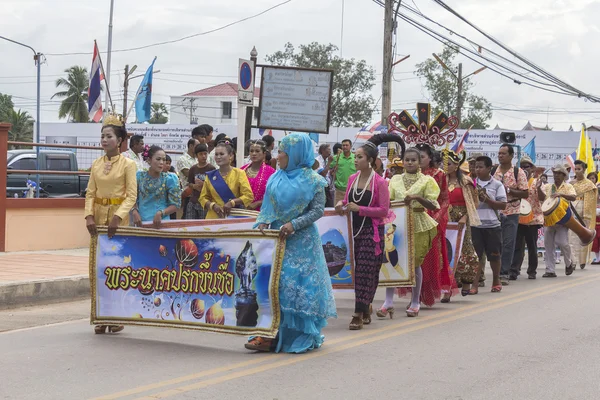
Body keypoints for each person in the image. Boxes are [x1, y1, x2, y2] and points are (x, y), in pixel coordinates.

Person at [245, 133, 336, 353]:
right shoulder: (276, 177)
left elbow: (317, 211)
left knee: (296, 287)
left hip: (301, 242)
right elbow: (267, 206)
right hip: (276, 240)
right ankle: (269, 334)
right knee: (271, 286)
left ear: (295, 154)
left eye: (282, 152)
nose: (278, 157)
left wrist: (294, 224)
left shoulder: (314, 180)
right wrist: (263, 222)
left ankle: (298, 334)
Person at [335, 134, 401, 329]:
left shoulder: (380, 182)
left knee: (367, 270)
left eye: (360, 157)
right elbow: (347, 201)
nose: (355, 160)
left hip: (372, 232)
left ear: (371, 160)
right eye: (355, 157)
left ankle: (357, 313)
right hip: (353, 231)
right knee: (360, 272)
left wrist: (360, 209)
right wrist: (341, 203)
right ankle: (365, 307)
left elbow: (384, 210)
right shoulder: (352, 179)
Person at [84, 115, 137, 335]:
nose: (105, 140)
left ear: (120, 140)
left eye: (109, 136)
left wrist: (118, 216)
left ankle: (116, 317)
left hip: (118, 222)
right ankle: (100, 317)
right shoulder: (96, 164)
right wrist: (88, 215)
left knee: (117, 269)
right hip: (98, 221)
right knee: (97, 269)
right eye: (102, 136)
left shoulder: (128, 164)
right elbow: (90, 193)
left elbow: (131, 195)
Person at [377, 148, 440, 318]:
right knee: (391, 260)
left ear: (420, 163)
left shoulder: (427, 181)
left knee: (415, 263)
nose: (410, 163)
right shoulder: (395, 180)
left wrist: (417, 198)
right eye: (407, 160)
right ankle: (388, 302)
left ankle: (415, 301)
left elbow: (433, 205)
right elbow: (387, 202)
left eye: (413, 160)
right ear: (402, 161)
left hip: (418, 222)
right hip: (396, 224)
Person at [415, 143, 453, 304]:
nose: (418, 160)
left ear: (430, 158)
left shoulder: (439, 174)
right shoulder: (410, 175)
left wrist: (436, 217)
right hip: (414, 219)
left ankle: (430, 291)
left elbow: (445, 199)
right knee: (415, 257)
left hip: (433, 219)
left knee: (432, 257)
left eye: (422, 157)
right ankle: (416, 294)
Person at [443, 149, 481, 296]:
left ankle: (466, 281)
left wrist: (465, 218)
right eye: (444, 163)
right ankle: (448, 287)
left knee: (465, 250)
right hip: (446, 219)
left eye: (449, 163)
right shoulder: (441, 181)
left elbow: (474, 203)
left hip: (462, 220)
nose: (446, 166)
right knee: (447, 252)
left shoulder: (466, 181)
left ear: (457, 164)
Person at [471, 156, 507, 293]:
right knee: (476, 256)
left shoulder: (497, 185)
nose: (477, 170)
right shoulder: (472, 184)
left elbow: (503, 205)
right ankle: (474, 284)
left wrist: (487, 200)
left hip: (492, 225)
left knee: (494, 255)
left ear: (489, 168)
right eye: (476, 167)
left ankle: (496, 280)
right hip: (475, 225)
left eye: (480, 167)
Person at [493, 144, 529, 284]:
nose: (500, 155)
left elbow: (525, 192)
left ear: (511, 155)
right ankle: (496, 271)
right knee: (496, 243)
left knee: (508, 243)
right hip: (496, 211)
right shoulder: (494, 171)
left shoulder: (518, 172)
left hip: (512, 210)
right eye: (499, 153)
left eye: (503, 153)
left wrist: (509, 190)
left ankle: (504, 273)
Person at [511, 156, 546, 279]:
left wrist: (538, 188)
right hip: (519, 217)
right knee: (517, 246)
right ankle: (514, 270)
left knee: (532, 246)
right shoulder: (517, 182)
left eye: (527, 166)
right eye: (522, 166)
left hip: (533, 219)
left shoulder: (537, 182)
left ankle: (532, 271)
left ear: (532, 169)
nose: (524, 168)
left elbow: (542, 198)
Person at [199, 140, 254, 219]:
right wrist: (213, 205)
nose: (218, 157)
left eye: (221, 154)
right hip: (213, 216)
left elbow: (248, 196)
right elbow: (203, 198)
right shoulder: (211, 175)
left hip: (233, 216)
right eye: (216, 154)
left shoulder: (239, 173)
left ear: (231, 156)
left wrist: (232, 203)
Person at [132, 146, 181, 229]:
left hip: (162, 223)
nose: (162, 162)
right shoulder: (139, 176)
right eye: (158, 159)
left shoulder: (170, 178)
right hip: (141, 223)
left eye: (164, 159)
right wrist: (134, 211)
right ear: (149, 160)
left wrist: (161, 213)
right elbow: (131, 196)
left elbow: (176, 205)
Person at [543, 164, 577, 278]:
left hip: (562, 220)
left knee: (563, 243)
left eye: (559, 173)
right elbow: (541, 198)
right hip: (549, 219)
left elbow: (573, 197)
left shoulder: (568, 187)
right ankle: (550, 270)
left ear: (563, 175)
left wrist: (561, 194)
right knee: (548, 245)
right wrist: (538, 188)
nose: (556, 175)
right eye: (555, 173)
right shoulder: (548, 186)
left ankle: (568, 263)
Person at [570, 160, 597, 269]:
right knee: (571, 237)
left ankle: (581, 261)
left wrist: (587, 216)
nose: (577, 171)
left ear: (584, 170)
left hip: (582, 210)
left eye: (579, 169)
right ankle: (573, 261)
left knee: (582, 236)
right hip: (572, 209)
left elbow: (590, 202)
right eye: (575, 169)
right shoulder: (572, 183)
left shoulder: (589, 185)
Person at [240, 140, 276, 211]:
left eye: (257, 151)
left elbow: (275, 196)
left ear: (264, 154)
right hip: (241, 211)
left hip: (262, 213)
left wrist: (258, 203)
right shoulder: (242, 170)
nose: (254, 154)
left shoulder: (271, 172)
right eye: (251, 151)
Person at [185, 144, 216, 219]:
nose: (203, 156)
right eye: (201, 154)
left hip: (206, 202)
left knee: (203, 226)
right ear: (196, 156)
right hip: (193, 201)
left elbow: (215, 186)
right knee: (190, 224)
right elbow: (189, 183)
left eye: (205, 154)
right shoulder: (193, 169)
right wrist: (194, 186)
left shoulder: (211, 168)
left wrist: (204, 185)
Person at [177, 138, 200, 219]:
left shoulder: (197, 159)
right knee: (187, 217)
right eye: (197, 146)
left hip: (199, 193)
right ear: (191, 146)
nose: (199, 148)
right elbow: (188, 174)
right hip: (188, 193)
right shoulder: (182, 159)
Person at [330, 139, 356, 204]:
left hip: (352, 191)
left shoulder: (355, 158)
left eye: (347, 145)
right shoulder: (336, 158)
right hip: (339, 191)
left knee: (351, 212)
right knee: (337, 212)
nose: (345, 147)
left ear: (350, 146)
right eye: (343, 145)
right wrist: (333, 171)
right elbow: (330, 170)